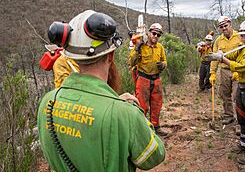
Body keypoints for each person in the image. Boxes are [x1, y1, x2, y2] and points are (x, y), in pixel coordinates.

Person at [38, 10, 165, 172]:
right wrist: (133, 113)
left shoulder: (46, 103)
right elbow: (155, 156)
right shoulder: (125, 114)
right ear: (110, 56)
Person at [207, 19, 245, 165]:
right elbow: (233, 56)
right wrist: (220, 55)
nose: (243, 38)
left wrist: (223, 59)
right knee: (242, 119)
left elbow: (240, 66)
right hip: (242, 88)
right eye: (242, 35)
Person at [128, 23, 168, 136]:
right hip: (143, 79)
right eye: (154, 33)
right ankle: (142, 129)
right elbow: (131, 62)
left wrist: (163, 65)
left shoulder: (160, 47)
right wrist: (137, 48)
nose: (155, 36)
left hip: (156, 79)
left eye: (158, 35)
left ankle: (155, 126)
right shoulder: (141, 45)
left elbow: (165, 60)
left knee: (157, 105)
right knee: (142, 106)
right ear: (149, 33)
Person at [210, 16, 242, 125]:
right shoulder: (218, 41)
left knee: (237, 96)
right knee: (225, 94)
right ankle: (228, 115)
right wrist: (212, 73)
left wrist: (239, 70)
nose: (224, 28)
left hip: (238, 70)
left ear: (230, 24)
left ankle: (240, 121)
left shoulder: (240, 37)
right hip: (224, 70)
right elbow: (214, 58)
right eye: (221, 27)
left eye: (225, 26)